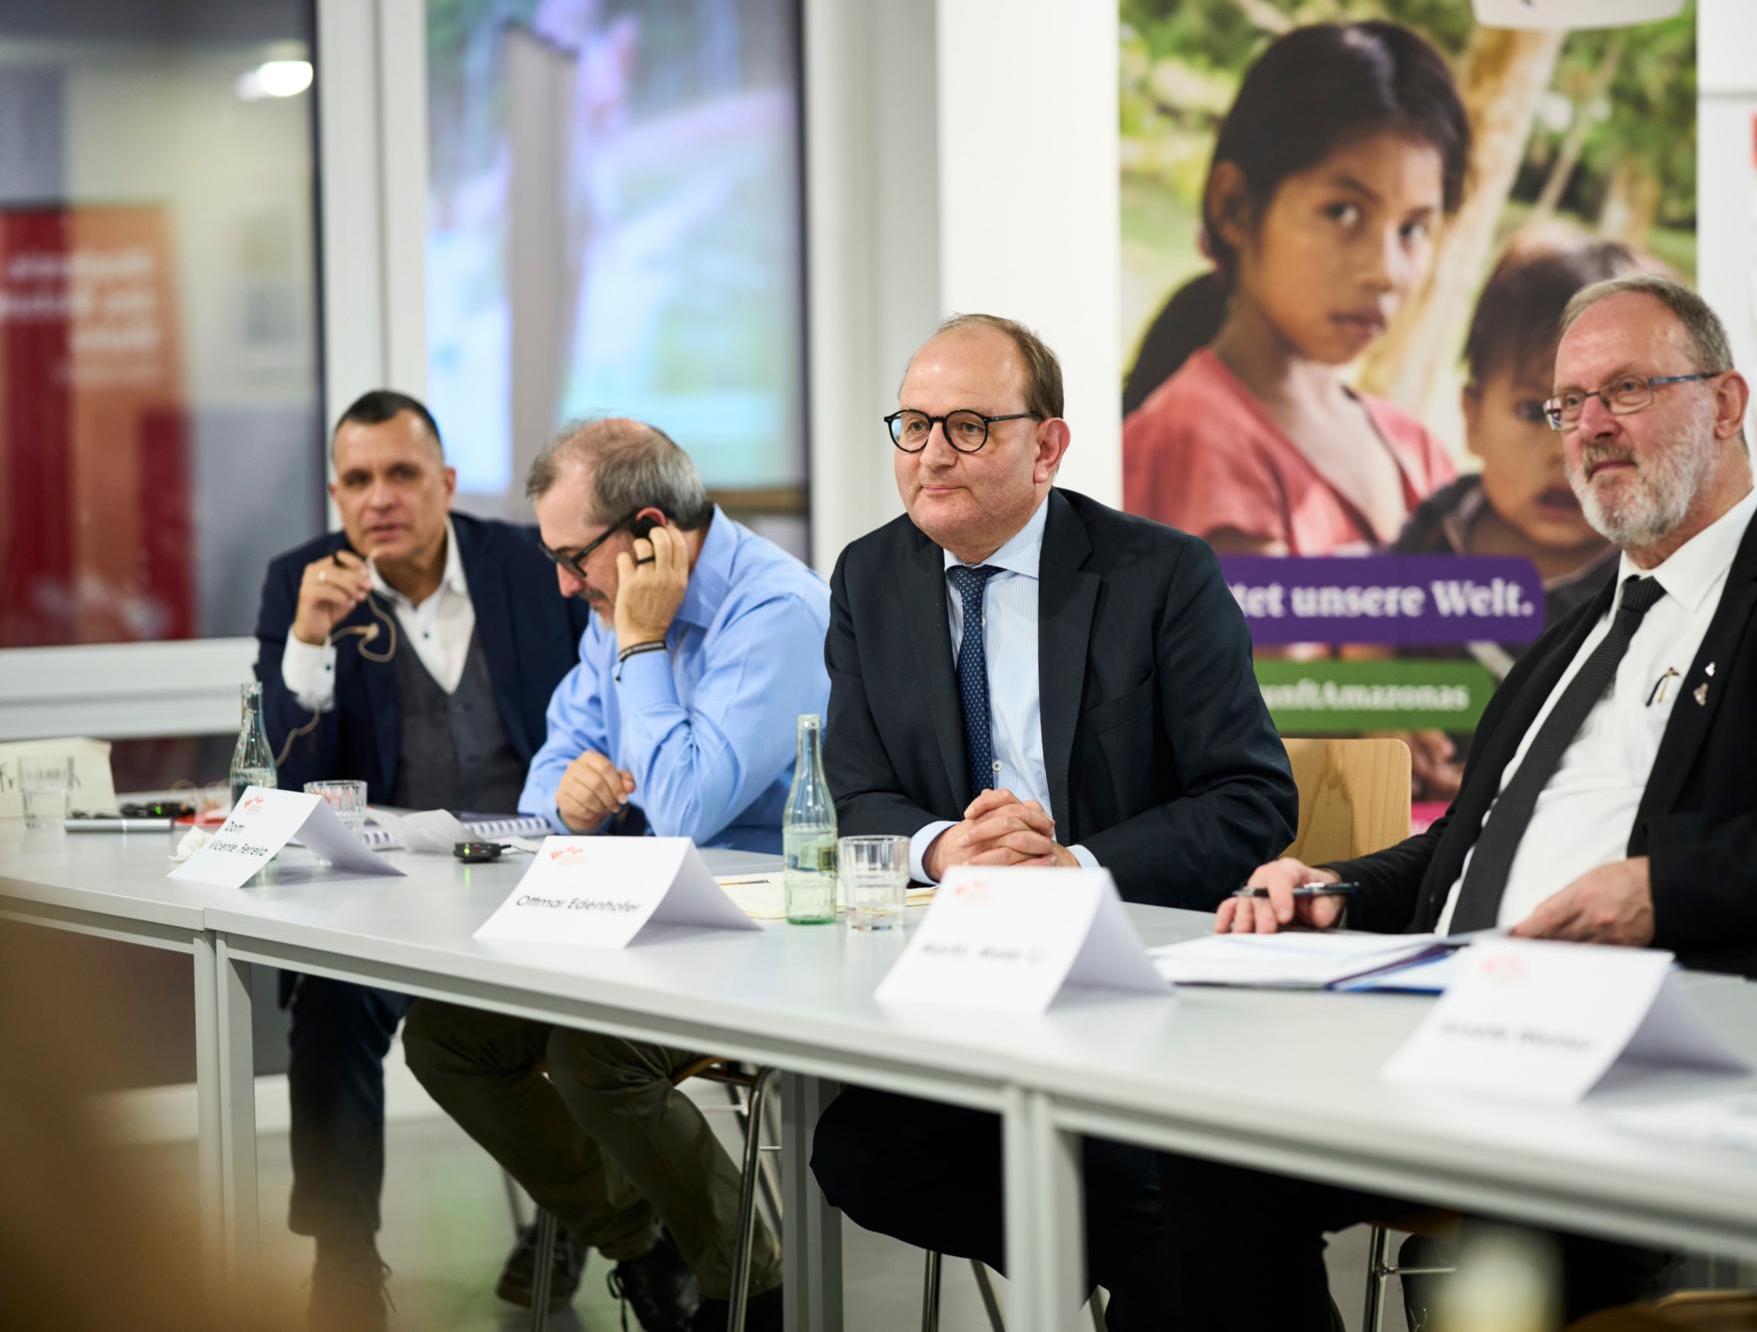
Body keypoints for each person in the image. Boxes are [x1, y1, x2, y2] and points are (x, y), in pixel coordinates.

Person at [1170, 273, 1757, 1328]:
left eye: (1625, 390)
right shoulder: (1564, 631)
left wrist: (1656, 890)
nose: (1588, 426)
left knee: (1520, 1234)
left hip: (1653, 1045)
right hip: (1447, 1021)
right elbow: (1466, 847)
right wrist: (1338, 887)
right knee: (1200, 1162)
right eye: (1567, 404)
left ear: (1725, 404)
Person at [809, 313, 1297, 1330]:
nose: (931, 454)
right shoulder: (869, 575)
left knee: (1157, 1179)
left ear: (1048, 445)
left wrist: (1067, 865)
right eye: (912, 425)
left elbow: (1250, 801)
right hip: (964, 977)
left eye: (969, 427)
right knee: (855, 1148)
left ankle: (1157, 1257)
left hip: (1136, 977)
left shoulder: (1159, 574)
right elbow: (854, 790)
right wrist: (951, 849)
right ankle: (1148, 1252)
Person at [402, 417, 830, 1332]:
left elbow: (684, 807)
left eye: (572, 557)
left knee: (594, 1055)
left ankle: (748, 1290)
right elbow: (547, 779)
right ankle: (654, 1240)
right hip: (642, 917)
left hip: (764, 932)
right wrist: (575, 798)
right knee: (446, 1035)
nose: (564, 583)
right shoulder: (610, 606)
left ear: (645, 531)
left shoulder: (775, 610)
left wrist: (641, 644)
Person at [252, 389, 589, 1330]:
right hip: (391, 891)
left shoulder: (529, 566)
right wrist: (309, 643)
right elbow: (288, 777)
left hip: (540, 870)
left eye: (402, 473)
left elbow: (602, 707)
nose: (380, 497)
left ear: (444, 482)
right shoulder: (299, 583)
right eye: (357, 479)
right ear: (335, 494)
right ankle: (344, 1254)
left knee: (580, 1020)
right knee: (327, 1000)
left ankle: (576, 1212)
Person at [1123, 21, 1467, 556]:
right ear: (1233, 206)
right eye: (1343, 212)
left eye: (1413, 229)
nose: (1387, 272)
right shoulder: (1191, 446)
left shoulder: (1415, 449)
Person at [1385, 229, 1641, 799]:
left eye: (1611, 408)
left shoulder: (1643, 574)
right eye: (1536, 410)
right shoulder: (1443, 524)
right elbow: (1369, 616)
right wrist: (1386, 716)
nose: (1566, 447)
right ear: (1472, 417)